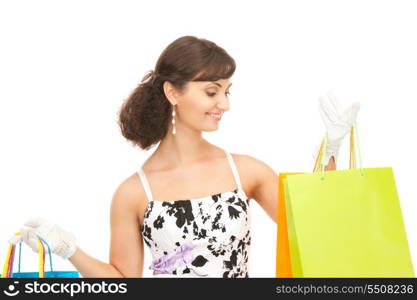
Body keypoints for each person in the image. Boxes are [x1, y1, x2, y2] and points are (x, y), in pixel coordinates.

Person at [8, 36, 359, 277]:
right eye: (212, 92)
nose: (224, 104)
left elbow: (317, 228)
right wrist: (68, 249)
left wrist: (330, 153)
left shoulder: (246, 171)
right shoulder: (133, 193)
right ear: (172, 92)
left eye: (226, 91)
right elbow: (123, 282)